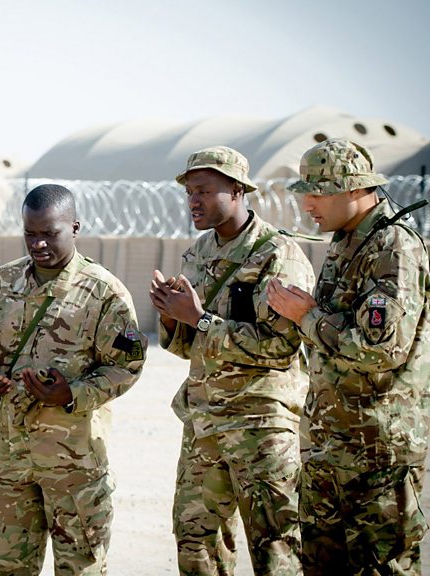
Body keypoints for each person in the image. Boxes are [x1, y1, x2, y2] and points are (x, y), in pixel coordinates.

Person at [0, 183, 146, 575]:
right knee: (10, 568)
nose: (39, 244)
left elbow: (128, 364)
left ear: (75, 228)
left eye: (49, 233)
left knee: (79, 568)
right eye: (30, 234)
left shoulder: (105, 294)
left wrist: (72, 393)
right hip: (11, 462)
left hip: (74, 466)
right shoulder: (1, 283)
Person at [267, 138, 430, 574]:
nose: (308, 205)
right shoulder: (347, 241)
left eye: (318, 194)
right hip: (332, 445)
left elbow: (380, 349)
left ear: (355, 188)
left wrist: (307, 316)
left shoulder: (393, 248)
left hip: (377, 456)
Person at [150, 146, 314, 575]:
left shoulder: (277, 255)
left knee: (275, 550)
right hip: (205, 425)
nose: (194, 201)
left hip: (261, 427)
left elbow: (279, 346)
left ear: (238, 190)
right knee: (196, 547)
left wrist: (199, 319)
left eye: (204, 191)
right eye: (189, 192)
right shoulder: (199, 252)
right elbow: (189, 347)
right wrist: (171, 316)